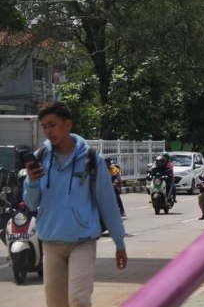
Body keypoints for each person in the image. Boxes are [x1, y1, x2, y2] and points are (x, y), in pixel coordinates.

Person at [23, 101, 127, 307]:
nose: (47, 131)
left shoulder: (90, 160)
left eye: (52, 124)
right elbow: (31, 203)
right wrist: (32, 181)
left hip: (83, 241)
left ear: (68, 125)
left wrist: (119, 243)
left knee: (79, 299)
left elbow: (107, 203)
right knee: (56, 303)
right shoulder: (40, 158)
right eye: (44, 126)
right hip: (51, 242)